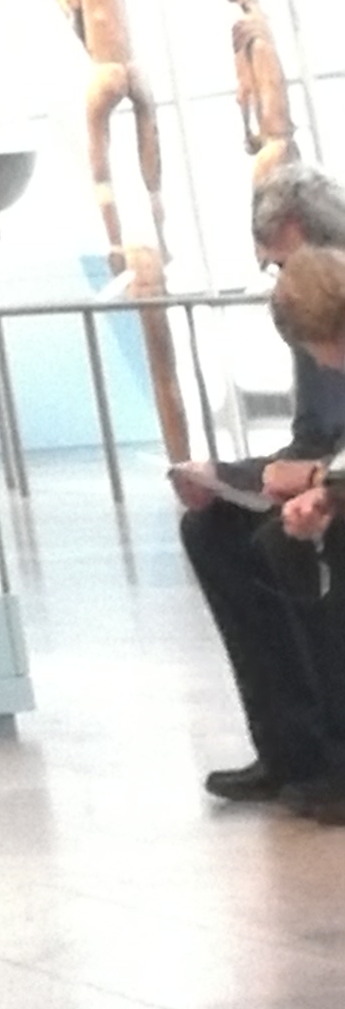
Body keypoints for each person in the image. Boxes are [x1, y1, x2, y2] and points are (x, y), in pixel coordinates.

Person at [169, 167, 345, 816]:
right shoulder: (310, 320)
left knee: (287, 542)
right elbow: (312, 437)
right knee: (211, 528)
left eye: (281, 262)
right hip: (326, 472)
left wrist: (317, 484)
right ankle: (287, 748)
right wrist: (230, 475)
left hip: (332, 481)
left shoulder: (322, 311)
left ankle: (333, 753)